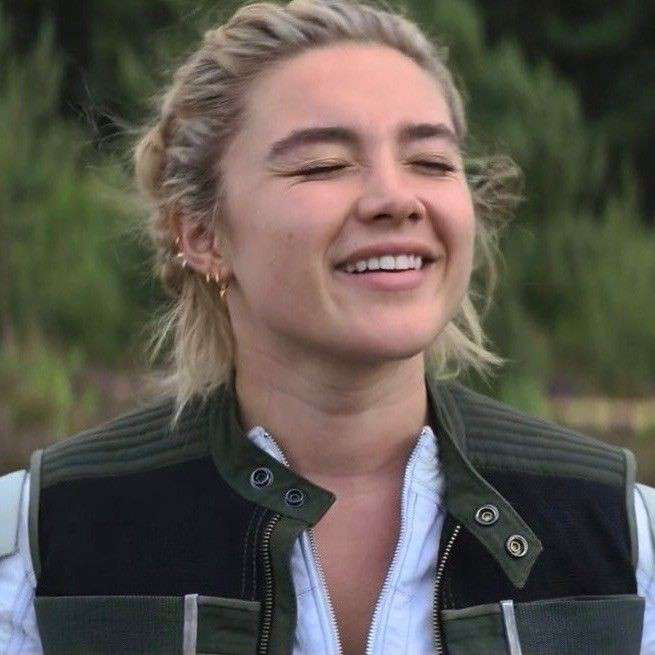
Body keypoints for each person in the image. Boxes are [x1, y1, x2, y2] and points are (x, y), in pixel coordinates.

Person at [1, 0, 654, 653]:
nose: (396, 199)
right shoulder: (42, 545)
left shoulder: (622, 537)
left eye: (430, 161)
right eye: (322, 165)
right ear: (200, 233)